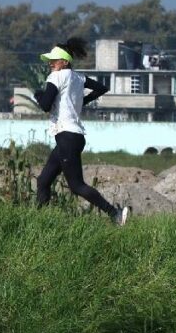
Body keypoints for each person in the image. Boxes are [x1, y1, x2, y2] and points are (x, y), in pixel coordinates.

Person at [34, 37, 130, 226]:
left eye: (54, 61)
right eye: (50, 61)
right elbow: (102, 88)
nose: (51, 64)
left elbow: (45, 105)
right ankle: (39, 222)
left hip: (67, 137)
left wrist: (38, 95)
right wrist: (81, 102)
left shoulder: (57, 76)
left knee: (77, 186)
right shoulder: (79, 78)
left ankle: (115, 214)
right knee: (43, 181)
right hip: (72, 137)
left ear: (65, 62)